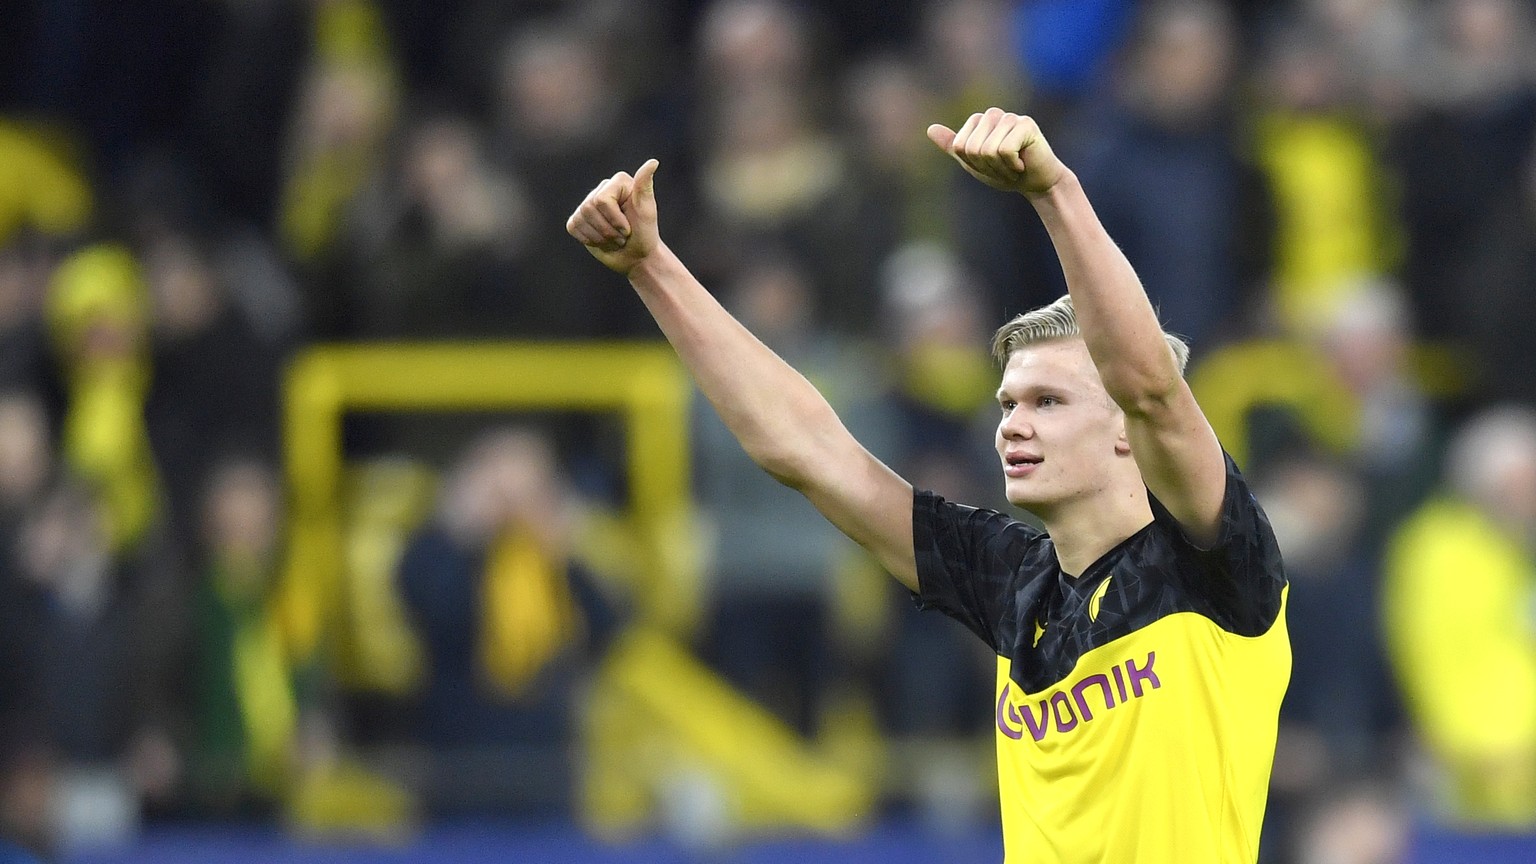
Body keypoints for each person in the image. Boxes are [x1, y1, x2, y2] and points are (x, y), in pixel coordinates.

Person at [566, 107, 1290, 862]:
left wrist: (1054, 192)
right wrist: (651, 267)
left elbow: (1151, 389)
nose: (1012, 425)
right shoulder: (1014, 582)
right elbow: (810, 452)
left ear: (1125, 434)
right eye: (1007, 403)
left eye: (1048, 402)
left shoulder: (1213, 564)